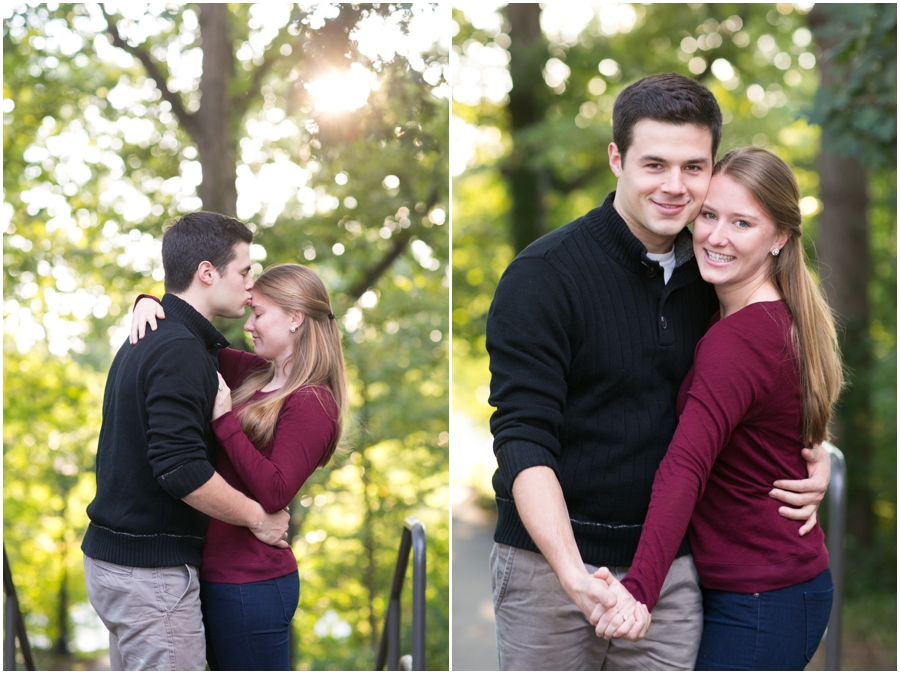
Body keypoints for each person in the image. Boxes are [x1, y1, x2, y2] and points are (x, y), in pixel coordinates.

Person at [484, 73, 832, 670]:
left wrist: (814, 444)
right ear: (617, 159)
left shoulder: (716, 269)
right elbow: (522, 437)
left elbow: (772, 379)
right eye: (654, 165)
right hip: (551, 571)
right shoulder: (543, 276)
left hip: (672, 575)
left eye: (694, 167)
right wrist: (573, 573)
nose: (675, 187)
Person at [591, 147, 842, 670]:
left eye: (742, 223)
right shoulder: (758, 313)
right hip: (773, 587)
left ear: (779, 238)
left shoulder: (740, 339)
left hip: (762, 599)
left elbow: (685, 465)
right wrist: (818, 452)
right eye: (709, 215)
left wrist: (639, 589)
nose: (716, 236)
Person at [81, 211, 291, 671]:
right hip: (148, 576)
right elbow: (181, 469)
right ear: (207, 272)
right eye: (244, 271)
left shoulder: (157, 333)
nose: (251, 286)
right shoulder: (178, 348)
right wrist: (258, 518)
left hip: (120, 565)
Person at [130, 262, 348, 670]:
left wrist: (225, 422)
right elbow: (190, 338)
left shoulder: (313, 401)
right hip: (209, 574)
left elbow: (276, 491)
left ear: (296, 318)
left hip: (253, 585)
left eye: (259, 313)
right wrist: (148, 304)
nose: (249, 325)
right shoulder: (252, 373)